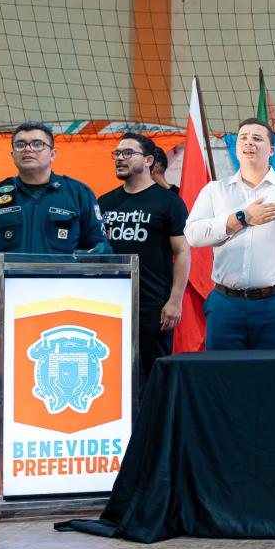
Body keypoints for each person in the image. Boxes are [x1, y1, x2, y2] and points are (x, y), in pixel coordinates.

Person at [0, 122, 112, 355]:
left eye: (37, 144)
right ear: (12, 154)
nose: (28, 149)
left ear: (53, 154)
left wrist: (79, 264)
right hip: (9, 303)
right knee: (8, 372)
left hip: (66, 304)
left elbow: (101, 248)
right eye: (20, 144)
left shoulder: (78, 193)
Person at [184, 118, 275, 350]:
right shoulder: (214, 191)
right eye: (243, 137)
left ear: (271, 150)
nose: (249, 142)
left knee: (274, 371)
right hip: (225, 304)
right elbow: (193, 235)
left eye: (257, 138)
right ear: (237, 147)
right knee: (221, 371)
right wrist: (241, 218)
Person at [98, 133, 191, 388]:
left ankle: (158, 417)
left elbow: (183, 252)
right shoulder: (104, 202)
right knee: (113, 375)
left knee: (156, 378)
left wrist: (175, 300)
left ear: (149, 160)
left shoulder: (169, 202)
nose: (120, 158)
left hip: (153, 306)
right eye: (117, 153)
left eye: (128, 153)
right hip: (111, 304)